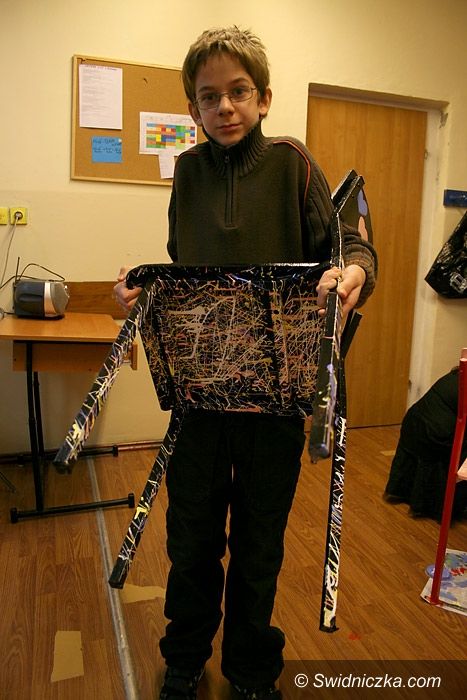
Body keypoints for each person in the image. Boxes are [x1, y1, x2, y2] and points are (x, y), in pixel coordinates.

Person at [114, 26, 377, 700]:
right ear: (193, 109)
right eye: (209, 97)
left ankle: (252, 671)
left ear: (263, 98)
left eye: (238, 92)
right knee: (191, 541)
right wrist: (144, 294)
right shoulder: (187, 173)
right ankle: (183, 659)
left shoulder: (293, 164)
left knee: (259, 545)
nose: (224, 106)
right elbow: (184, 268)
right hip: (200, 399)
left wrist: (353, 271)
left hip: (277, 399)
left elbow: (350, 245)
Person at [384, 366, 467, 520]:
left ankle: (405, 492)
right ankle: (448, 504)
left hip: (413, 423)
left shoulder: (458, 375)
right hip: (434, 435)